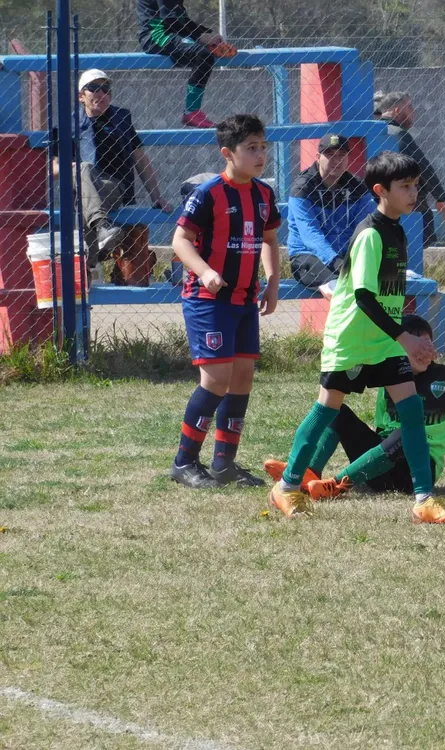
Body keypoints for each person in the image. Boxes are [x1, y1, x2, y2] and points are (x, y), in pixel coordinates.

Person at [267, 151, 445, 525]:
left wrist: (398, 337)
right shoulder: (371, 234)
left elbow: (387, 293)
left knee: (412, 412)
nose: (413, 193)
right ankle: (288, 486)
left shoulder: (398, 229)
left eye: (416, 185)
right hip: (353, 339)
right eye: (405, 187)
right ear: (380, 190)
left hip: (385, 339)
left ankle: (424, 500)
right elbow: (362, 297)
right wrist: (405, 337)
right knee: (326, 409)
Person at [263, 315, 445, 496]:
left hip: (417, 472)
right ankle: (309, 473)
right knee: (336, 412)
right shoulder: (392, 377)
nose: (424, 350)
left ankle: (336, 486)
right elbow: (380, 430)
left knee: (406, 432)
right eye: (416, 344)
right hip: (381, 470)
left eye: (428, 343)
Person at [168, 114, 280, 489]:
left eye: (263, 147)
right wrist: (204, 271)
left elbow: (268, 240)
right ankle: (184, 463)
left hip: (246, 300)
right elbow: (180, 241)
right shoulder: (209, 193)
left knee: (242, 377)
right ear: (228, 153)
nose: (260, 154)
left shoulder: (264, 194)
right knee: (216, 379)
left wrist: (273, 282)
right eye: (251, 148)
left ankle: (224, 465)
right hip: (208, 299)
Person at [52, 69, 171, 258]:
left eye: (105, 89)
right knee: (83, 170)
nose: (101, 93)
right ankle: (101, 233)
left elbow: (140, 158)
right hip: (82, 187)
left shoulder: (121, 119)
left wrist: (156, 196)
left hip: (112, 187)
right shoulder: (67, 125)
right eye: (93, 88)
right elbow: (54, 170)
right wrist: (74, 168)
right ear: (81, 96)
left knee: (82, 204)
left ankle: (87, 264)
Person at [286, 133, 376, 298]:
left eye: (342, 155)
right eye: (330, 154)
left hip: (345, 255)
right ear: (318, 157)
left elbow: (365, 227)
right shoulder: (302, 188)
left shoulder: (357, 187)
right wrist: (336, 262)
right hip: (309, 256)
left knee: (379, 281)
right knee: (342, 286)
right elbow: (310, 235)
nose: (337, 160)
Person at [136, 0, 235, 128]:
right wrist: (200, 36)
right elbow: (171, 20)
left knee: (204, 52)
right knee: (203, 55)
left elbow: (181, 20)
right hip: (155, 36)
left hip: (171, 33)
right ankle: (191, 112)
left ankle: (193, 112)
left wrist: (209, 34)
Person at [376, 91, 445, 248]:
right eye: (409, 108)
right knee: (419, 245)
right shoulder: (399, 134)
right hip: (411, 206)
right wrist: (440, 197)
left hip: (382, 203)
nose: (413, 113)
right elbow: (423, 167)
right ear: (397, 111)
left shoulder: (373, 133)